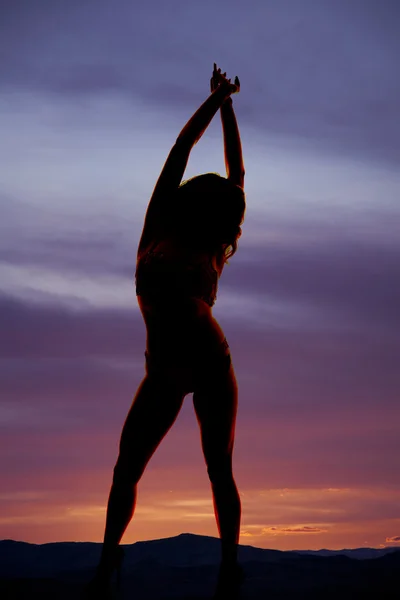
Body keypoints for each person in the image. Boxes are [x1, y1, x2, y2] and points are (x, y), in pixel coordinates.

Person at [85, 64, 245, 599]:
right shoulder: (157, 225)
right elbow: (182, 146)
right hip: (164, 368)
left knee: (218, 467)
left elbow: (237, 175)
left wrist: (228, 109)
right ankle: (107, 567)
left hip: (212, 359)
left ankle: (228, 570)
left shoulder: (212, 251)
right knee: (125, 468)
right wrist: (217, 100)